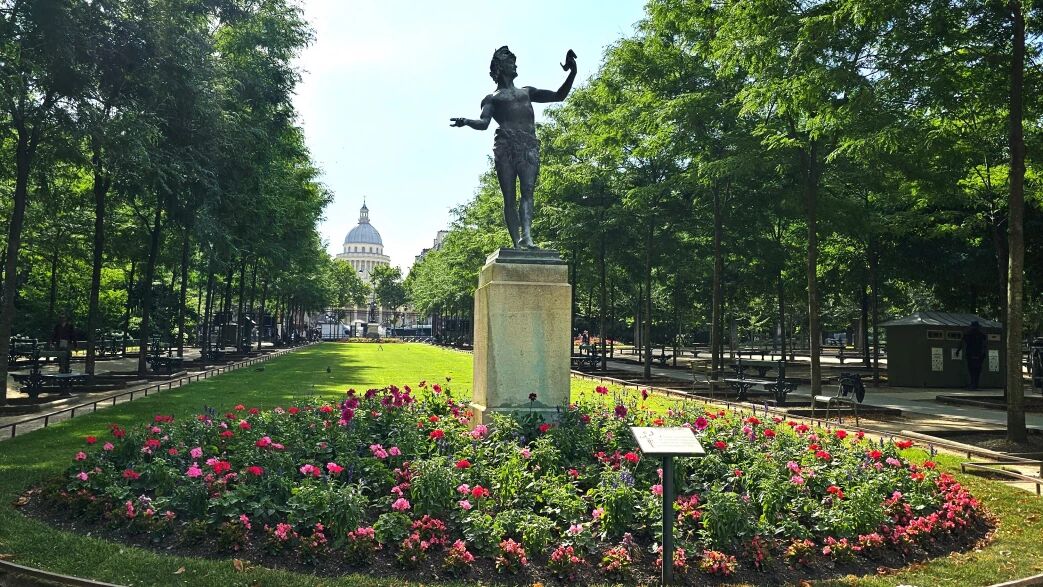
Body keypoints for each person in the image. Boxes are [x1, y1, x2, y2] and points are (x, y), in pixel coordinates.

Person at [451, 46, 577, 249]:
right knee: (509, 197)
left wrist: (573, 72)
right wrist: (466, 121)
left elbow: (558, 96)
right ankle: (517, 243)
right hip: (505, 147)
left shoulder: (527, 92)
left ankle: (527, 237)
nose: (515, 65)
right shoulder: (492, 99)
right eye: (511, 62)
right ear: (500, 67)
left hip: (528, 146)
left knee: (528, 192)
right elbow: (484, 123)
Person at [961, 321, 987, 390]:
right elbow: (984, 345)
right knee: (977, 371)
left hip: (971, 354)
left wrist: (958, 351)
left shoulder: (968, 334)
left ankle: (973, 384)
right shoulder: (981, 335)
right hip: (979, 355)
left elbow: (962, 342)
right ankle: (975, 384)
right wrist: (984, 354)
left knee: (972, 370)